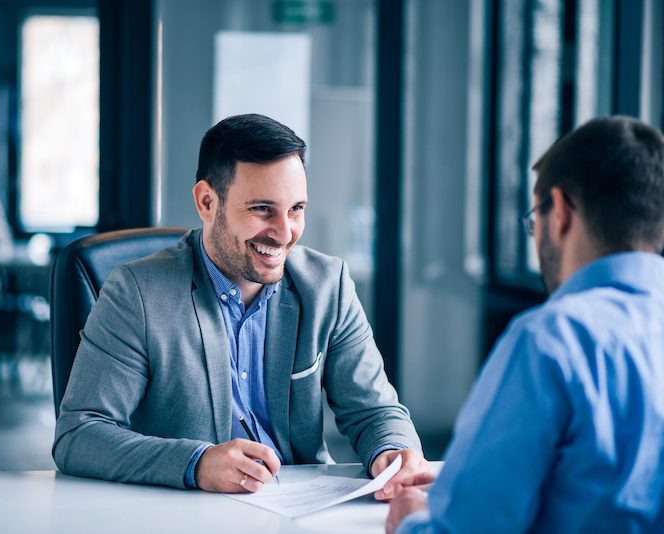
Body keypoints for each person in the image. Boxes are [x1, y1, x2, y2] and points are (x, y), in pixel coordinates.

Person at [54, 113, 428, 493]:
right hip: (188, 512)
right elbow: (79, 435)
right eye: (262, 209)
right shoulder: (137, 293)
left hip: (302, 510)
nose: (284, 233)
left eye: (296, 209)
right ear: (206, 202)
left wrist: (394, 449)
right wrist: (196, 464)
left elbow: (376, 411)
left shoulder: (327, 285)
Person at [384, 115, 664, 533]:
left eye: (534, 220)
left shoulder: (551, 340)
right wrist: (469, 479)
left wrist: (410, 520)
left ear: (561, 212)